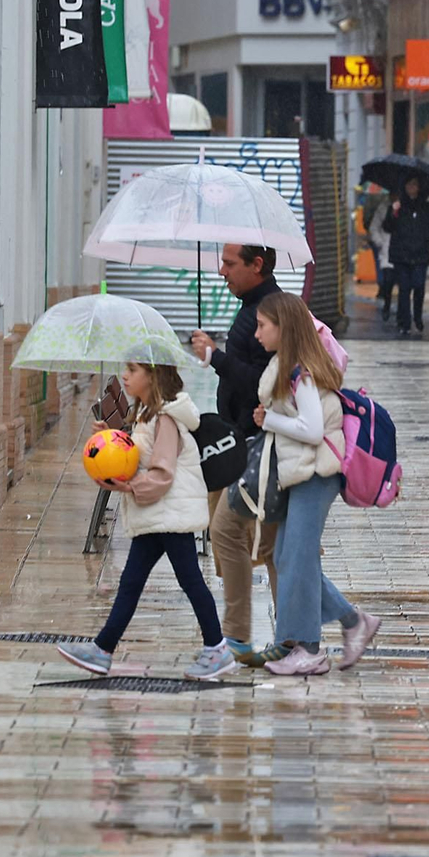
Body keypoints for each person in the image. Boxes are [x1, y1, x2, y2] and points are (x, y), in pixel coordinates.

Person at [56, 359, 236, 681]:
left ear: (153, 377)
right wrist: (109, 439)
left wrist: (127, 486)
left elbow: (162, 473)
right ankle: (103, 649)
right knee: (131, 582)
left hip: (169, 511)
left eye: (133, 370)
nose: (124, 375)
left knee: (190, 581)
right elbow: (139, 453)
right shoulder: (146, 414)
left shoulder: (165, 418)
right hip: (158, 512)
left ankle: (217, 649)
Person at [251, 291, 381, 675]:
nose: (257, 333)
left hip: (316, 473)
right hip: (303, 472)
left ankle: (308, 651)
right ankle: (354, 622)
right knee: (288, 558)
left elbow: (311, 429)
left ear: (284, 328)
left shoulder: (300, 372)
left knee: (298, 560)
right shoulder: (291, 367)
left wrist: (268, 421)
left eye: (263, 326)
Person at [190, 244, 282, 665]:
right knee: (243, 542)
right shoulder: (251, 307)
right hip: (238, 445)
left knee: (268, 546)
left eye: (229, 264)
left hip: (256, 448)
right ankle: (247, 637)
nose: (221, 271)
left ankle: (274, 637)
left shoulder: (269, 310)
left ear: (256, 265)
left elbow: (264, 383)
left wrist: (217, 359)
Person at [382, 176, 429, 338]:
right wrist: (393, 212)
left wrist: (425, 239)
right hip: (401, 255)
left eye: (414, 185)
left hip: (420, 255)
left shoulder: (427, 208)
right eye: (409, 185)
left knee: (419, 286)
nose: (411, 188)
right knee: (404, 289)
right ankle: (404, 322)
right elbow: (387, 227)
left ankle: (418, 316)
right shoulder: (398, 207)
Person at [366, 196, 397, 324]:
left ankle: (403, 315)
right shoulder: (384, 207)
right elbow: (375, 227)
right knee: (387, 281)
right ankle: (387, 306)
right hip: (387, 251)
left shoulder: (408, 207)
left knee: (405, 286)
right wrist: (380, 242)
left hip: (404, 252)